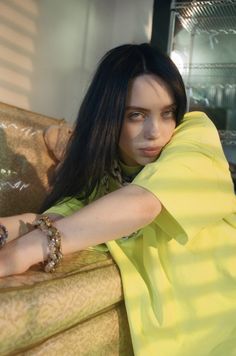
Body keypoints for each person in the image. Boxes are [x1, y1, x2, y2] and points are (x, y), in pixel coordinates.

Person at [0, 43, 236, 356]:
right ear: (108, 117)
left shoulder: (193, 137)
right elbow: (55, 218)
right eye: (136, 115)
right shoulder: (104, 173)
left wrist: (27, 249)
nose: (156, 132)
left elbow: (143, 204)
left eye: (167, 113)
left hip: (220, 322)